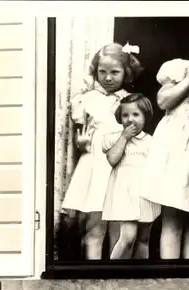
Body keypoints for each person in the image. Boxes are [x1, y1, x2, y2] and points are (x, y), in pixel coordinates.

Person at [61, 43, 143, 260]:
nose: (108, 78)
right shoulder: (88, 99)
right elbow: (82, 128)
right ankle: (92, 272)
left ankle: (117, 275)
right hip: (96, 164)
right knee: (95, 226)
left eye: (114, 72)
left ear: (126, 72)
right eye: (102, 72)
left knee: (120, 227)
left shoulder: (130, 101)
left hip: (121, 164)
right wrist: (81, 142)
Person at [140, 51, 189, 259]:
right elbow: (163, 101)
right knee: (172, 218)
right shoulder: (180, 69)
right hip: (176, 147)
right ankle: (170, 274)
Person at [102, 93, 161, 260]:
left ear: (145, 116)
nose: (130, 119)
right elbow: (113, 159)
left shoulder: (152, 142)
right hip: (125, 192)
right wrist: (124, 137)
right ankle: (109, 272)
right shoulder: (114, 138)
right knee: (127, 237)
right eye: (125, 115)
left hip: (145, 193)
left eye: (136, 114)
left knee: (143, 239)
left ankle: (140, 275)